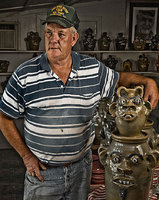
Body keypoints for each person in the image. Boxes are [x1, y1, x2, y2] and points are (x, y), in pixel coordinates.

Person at [0, 4, 158, 200]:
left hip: (80, 172)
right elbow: (4, 117)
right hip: (43, 174)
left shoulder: (92, 69)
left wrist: (147, 81)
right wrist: (26, 156)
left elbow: (120, 79)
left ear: (74, 38)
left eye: (61, 34)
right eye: (49, 33)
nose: (53, 40)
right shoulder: (24, 74)